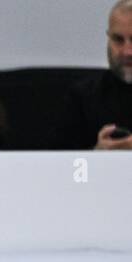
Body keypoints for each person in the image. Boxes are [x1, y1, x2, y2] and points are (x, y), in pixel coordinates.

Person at [55, 0, 132, 150]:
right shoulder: (83, 97)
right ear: (108, 38)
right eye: (118, 40)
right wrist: (96, 156)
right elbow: (59, 166)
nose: (127, 51)